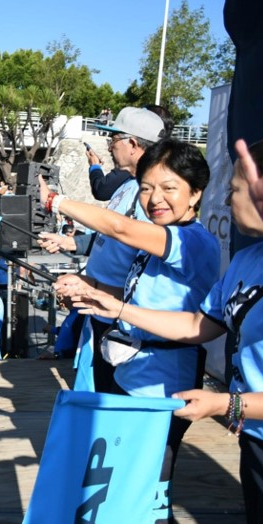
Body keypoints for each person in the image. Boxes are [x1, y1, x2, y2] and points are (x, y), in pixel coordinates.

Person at [73, 135, 263, 524]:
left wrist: (226, 405)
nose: (226, 201)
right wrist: (114, 307)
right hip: (258, 440)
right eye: (146, 188)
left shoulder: (197, 242)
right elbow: (199, 324)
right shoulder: (248, 261)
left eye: (235, 189)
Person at [44, 138, 220, 524]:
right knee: (126, 480)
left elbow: (119, 226)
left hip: (163, 381)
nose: (154, 198)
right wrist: (85, 289)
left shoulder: (191, 240)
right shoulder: (162, 236)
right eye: (146, 188)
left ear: (196, 193)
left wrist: (57, 202)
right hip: (129, 371)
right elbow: (128, 295)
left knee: (153, 489)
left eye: (168, 187)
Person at [38, 107, 166, 393]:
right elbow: (106, 236)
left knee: (114, 395)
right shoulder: (126, 185)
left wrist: (54, 202)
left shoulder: (151, 196)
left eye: (115, 138)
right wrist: (70, 243)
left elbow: (125, 234)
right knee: (99, 389)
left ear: (133, 145)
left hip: (123, 319)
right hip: (101, 308)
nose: (110, 145)